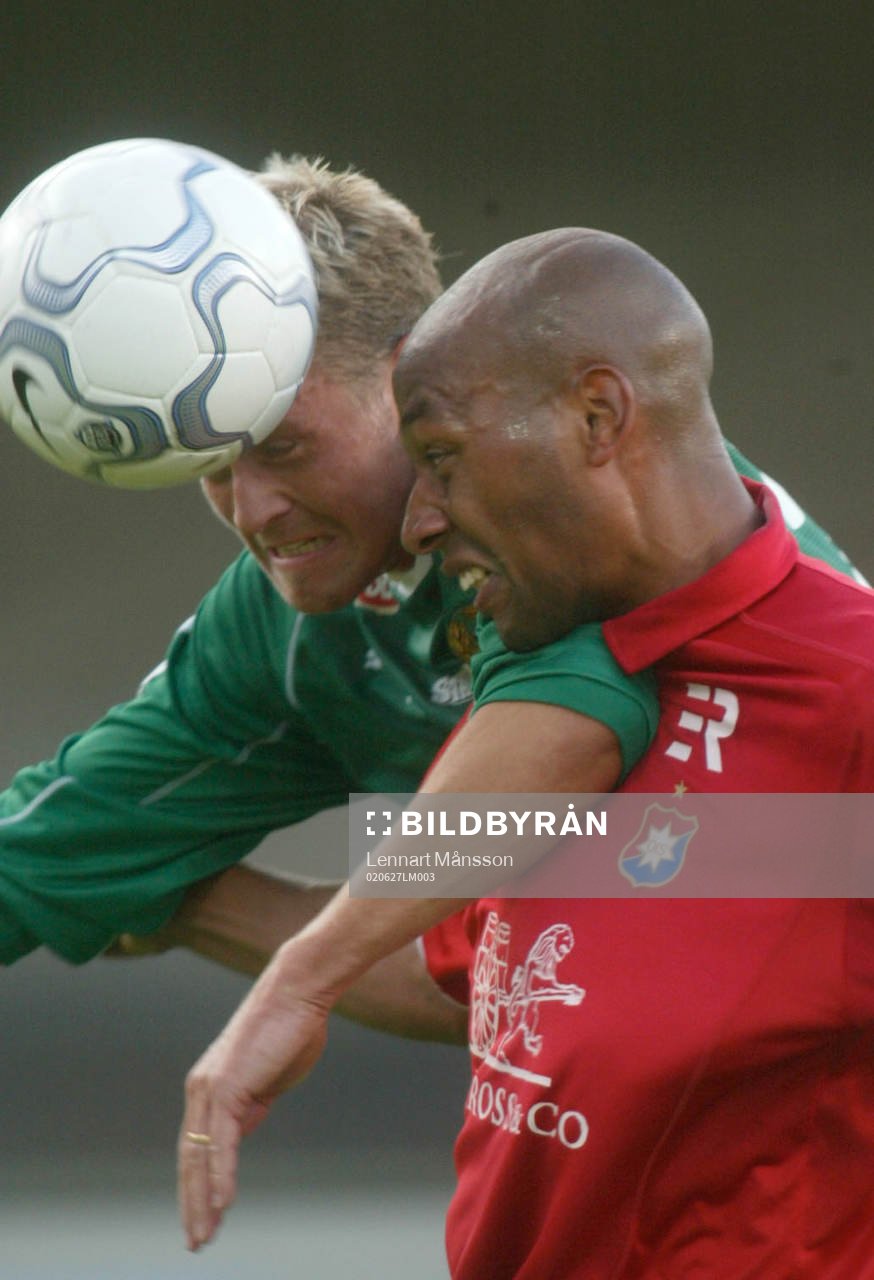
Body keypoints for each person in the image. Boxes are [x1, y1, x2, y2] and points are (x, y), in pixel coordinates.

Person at [177, 228, 874, 1278]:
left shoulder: (847, 697)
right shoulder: (543, 682)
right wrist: (184, 903)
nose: (415, 521)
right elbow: (475, 979)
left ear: (598, 416)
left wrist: (297, 978)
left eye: (442, 456)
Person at [3, 156, 854, 987]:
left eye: (284, 446)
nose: (253, 509)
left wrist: (233, 930)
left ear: (408, 370)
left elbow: (565, 929)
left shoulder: (576, 522)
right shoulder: (287, 629)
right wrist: (128, 876)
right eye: (214, 465)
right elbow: (44, 848)